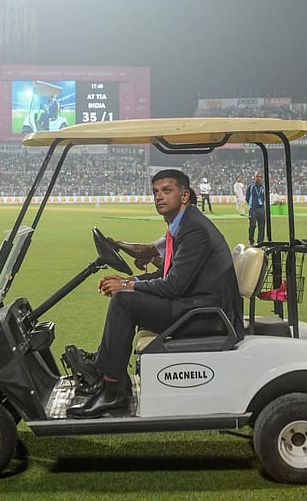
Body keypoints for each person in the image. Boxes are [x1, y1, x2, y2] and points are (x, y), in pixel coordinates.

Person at [67, 169, 243, 419]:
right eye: (156, 192)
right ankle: (108, 374)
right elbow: (167, 275)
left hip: (206, 314)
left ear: (184, 196)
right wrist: (131, 280)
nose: (159, 197)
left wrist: (127, 287)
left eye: (166, 191)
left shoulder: (194, 231)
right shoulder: (182, 224)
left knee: (123, 303)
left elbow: (173, 286)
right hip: (197, 304)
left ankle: (112, 391)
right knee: (124, 297)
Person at [246, 172, 266, 246]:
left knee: (262, 226)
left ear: (262, 178)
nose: (258, 178)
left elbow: (265, 197)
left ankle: (260, 242)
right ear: (254, 178)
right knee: (252, 225)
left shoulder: (263, 188)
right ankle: (251, 241)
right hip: (253, 209)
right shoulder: (251, 187)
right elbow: (247, 197)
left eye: (260, 177)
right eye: (257, 176)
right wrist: (251, 205)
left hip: (261, 209)